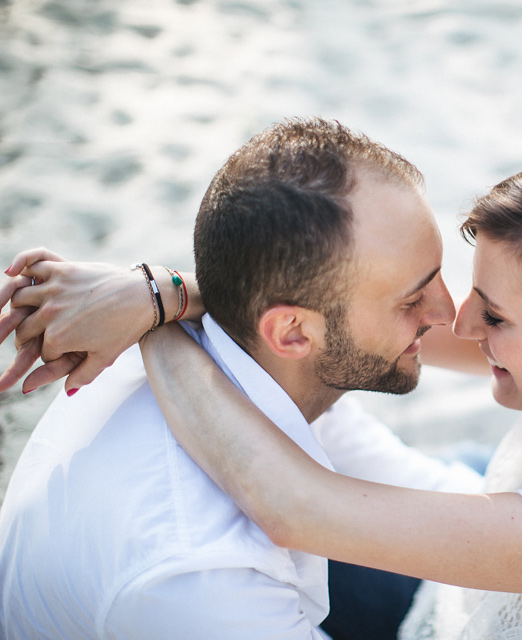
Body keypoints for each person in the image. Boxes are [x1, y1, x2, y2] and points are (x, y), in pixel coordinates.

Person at [0, 142, 522, 638]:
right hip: (463, 577)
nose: (459, 322)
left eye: (495, 315)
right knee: (458, 462)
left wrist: (157, 307)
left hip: (507, 566)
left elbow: (295, 506)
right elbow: (308, 307)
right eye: (463, 291)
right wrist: (170, 296)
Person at [0, 117, 488, 639]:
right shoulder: (200, 576)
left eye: (440, 275)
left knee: (487, 471)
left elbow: (418, 488)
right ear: (291, 332)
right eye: (412, 298)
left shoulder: (255, 356)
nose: (449, 314)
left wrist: (162, 293)